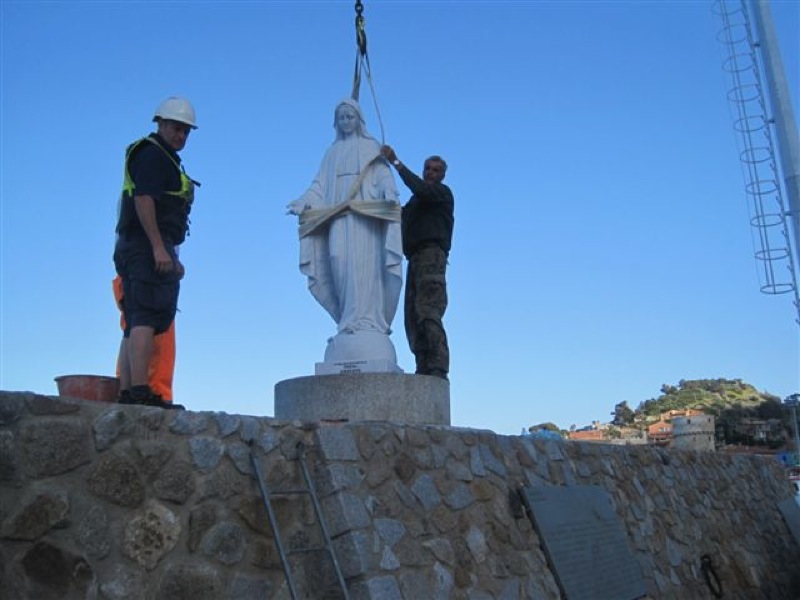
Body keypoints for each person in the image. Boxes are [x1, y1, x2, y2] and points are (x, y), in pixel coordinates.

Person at [287, 98, 402, 365]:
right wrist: (303, 201)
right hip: (338, 216)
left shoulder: (370, 146)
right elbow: (318, 186)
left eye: (350, 117)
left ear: (359, 120)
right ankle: (347, 321)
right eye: (341, 118)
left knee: (365, 269)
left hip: (366, 218)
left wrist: (389, 191)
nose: (346, 122)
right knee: (338, 261)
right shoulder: (332, 152)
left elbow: (383, 175)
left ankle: (368, 322)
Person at [113, 96, 199, 408]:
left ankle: (127, 391)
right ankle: (139, 392)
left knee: (137, 317)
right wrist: (159, 249)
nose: (181, 136)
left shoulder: (164, 157)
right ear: (160, 124)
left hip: (141, 246)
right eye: (177, 128)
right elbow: (144, 200)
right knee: (145, 317)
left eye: (186, 131)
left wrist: (170, 254)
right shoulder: (152, 156)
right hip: (144, 246)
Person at [380, 146, 454, 380]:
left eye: (436, 170)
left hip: (432, 256)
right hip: (414, 258)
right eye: (428, 169)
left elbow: (420, 189)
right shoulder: (415, 203)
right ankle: (423, 365)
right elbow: (396, 215)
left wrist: (396, 162)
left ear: (442, 175)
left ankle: (438, 367)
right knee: (412, 316)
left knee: (428, 310)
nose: (431, 173)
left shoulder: (441, 193)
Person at [112, 275, 176, 404]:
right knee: (145, 320)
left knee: (133, 326)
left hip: (134, 274)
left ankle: (128, 392)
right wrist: (161, 253)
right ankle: (140, 391)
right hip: (149, 272)